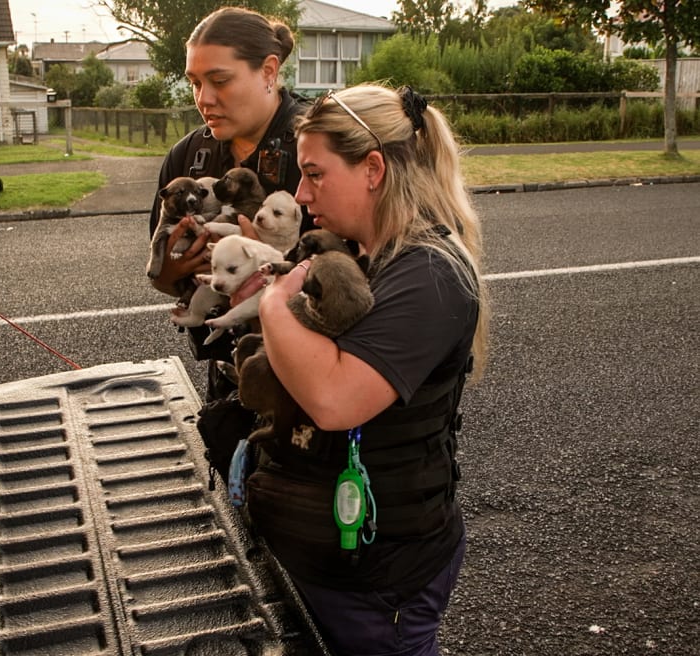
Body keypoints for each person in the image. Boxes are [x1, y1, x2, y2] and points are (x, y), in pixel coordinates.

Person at [248, 84, 490, 656]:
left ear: (373, 168)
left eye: (315, 174)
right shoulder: (368, 254)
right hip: (343, 563)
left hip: (380, 577)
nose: (302, 194)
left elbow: (335, 399)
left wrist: (274, 304)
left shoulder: (427, 272)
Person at [148, 6, 310, 401]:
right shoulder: (187, 157)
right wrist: (172, 274)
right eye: (194, 82)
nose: (204, 99)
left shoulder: (317, 146)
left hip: (307, 379)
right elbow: (161, 269)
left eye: (219, 80)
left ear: (269, 72)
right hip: (227, 373)